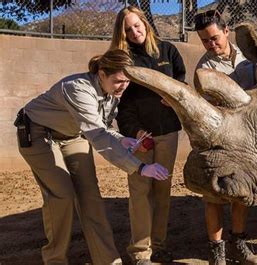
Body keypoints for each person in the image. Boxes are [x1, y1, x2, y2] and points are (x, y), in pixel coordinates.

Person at [15, 49, 169, 265]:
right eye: (118, 81)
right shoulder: (77, 88)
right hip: (39, 134)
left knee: (91, 198)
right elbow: (97, 134)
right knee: (62, 195)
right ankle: (55, 260)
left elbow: (104, 128)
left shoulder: (111, 92)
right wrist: (140, 168)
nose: (123, 86)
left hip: (73, 136)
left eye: (127, 81)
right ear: (102, 74)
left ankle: (108, 261)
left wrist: (121, 139)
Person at [194, 9, 257, 265]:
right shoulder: (204, 67)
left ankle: (239, 243)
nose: (211, 44)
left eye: (214, 37)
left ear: (226, 31)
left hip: (248, 137)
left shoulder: (248, 57)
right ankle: (217, 252)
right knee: (214, 196)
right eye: (205, 40)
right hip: (220, 138)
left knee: (241, 193)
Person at [110, 6, 186, 265]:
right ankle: (140, 252)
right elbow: (122, 104)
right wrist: (134, 131)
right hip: (141, 136)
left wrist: (174, 98)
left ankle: (160, 245)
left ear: (145, 23)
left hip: (168, 133)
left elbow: (182, 83)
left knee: (163, 190)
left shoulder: (168, 51)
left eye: (137, 25)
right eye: (128, 29)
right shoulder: (123, 59)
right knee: (140, 192)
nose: (134, 32)